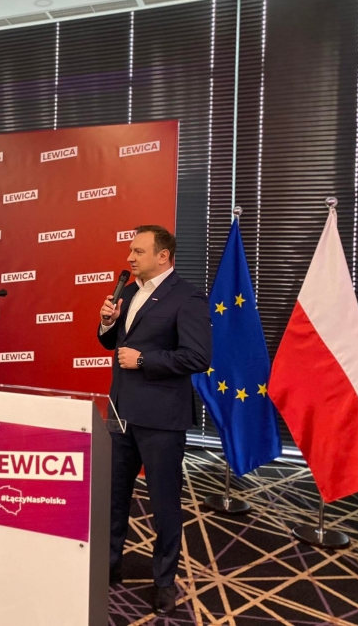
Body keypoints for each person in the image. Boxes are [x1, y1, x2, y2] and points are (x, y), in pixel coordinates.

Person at [97, 225, 211, 616]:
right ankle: (109, 565)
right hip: (120, 413)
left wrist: (145, 360)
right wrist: (108, 322)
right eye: (130, 251)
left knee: (163, 503)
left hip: (161, 418)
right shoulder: (128, 292)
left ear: (163, 256)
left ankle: (163, 581)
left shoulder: (188, 297)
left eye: (138, 251)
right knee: (114, 496)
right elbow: (111, 345)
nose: (129, 258)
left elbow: (198, 357)